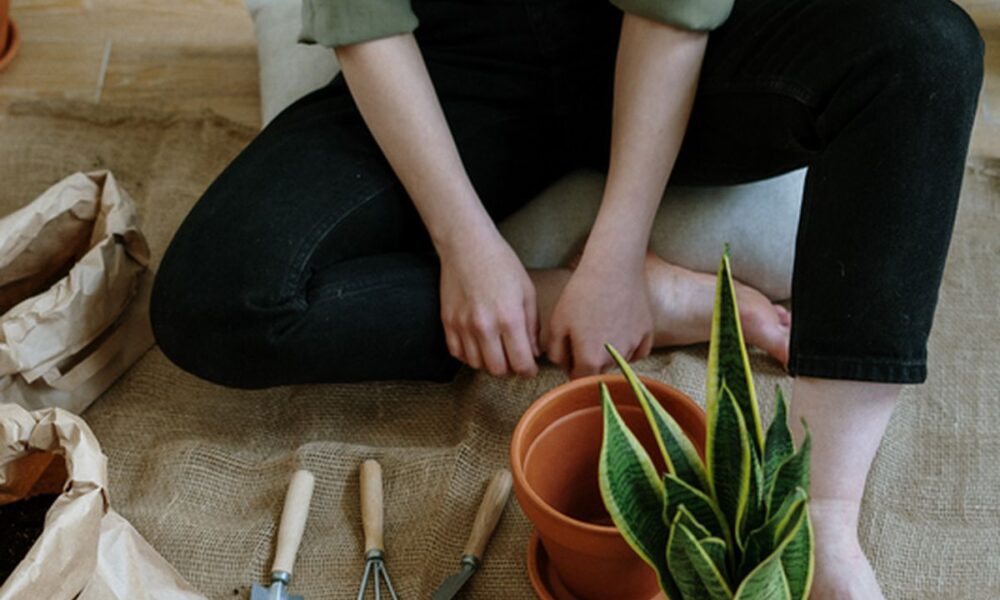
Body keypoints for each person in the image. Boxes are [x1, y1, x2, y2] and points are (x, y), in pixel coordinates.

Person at [149, 0, 984, 596]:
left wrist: (615, 257)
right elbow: (364, 19)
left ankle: (827, 520)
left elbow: (673, 9)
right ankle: (605, 300)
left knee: (926, 45)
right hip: (452, 59)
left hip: (663, 41)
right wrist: (467, 245)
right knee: (214, 298)